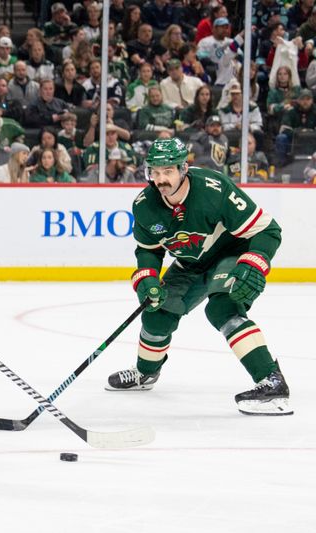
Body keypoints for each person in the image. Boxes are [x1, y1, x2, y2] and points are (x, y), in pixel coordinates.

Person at [106, 137, 292, 416]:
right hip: (190, 263)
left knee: (222, 307)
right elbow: (148, 251)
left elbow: (268, 230)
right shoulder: (145, 205)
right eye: (155, 172)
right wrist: (148, 280)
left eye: (167, 171)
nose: (161, 179)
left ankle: (272, 382)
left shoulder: (214, 189)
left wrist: (255, 262)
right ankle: (145, 374)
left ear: (183, 169)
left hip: (229, 253)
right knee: (157, 312)